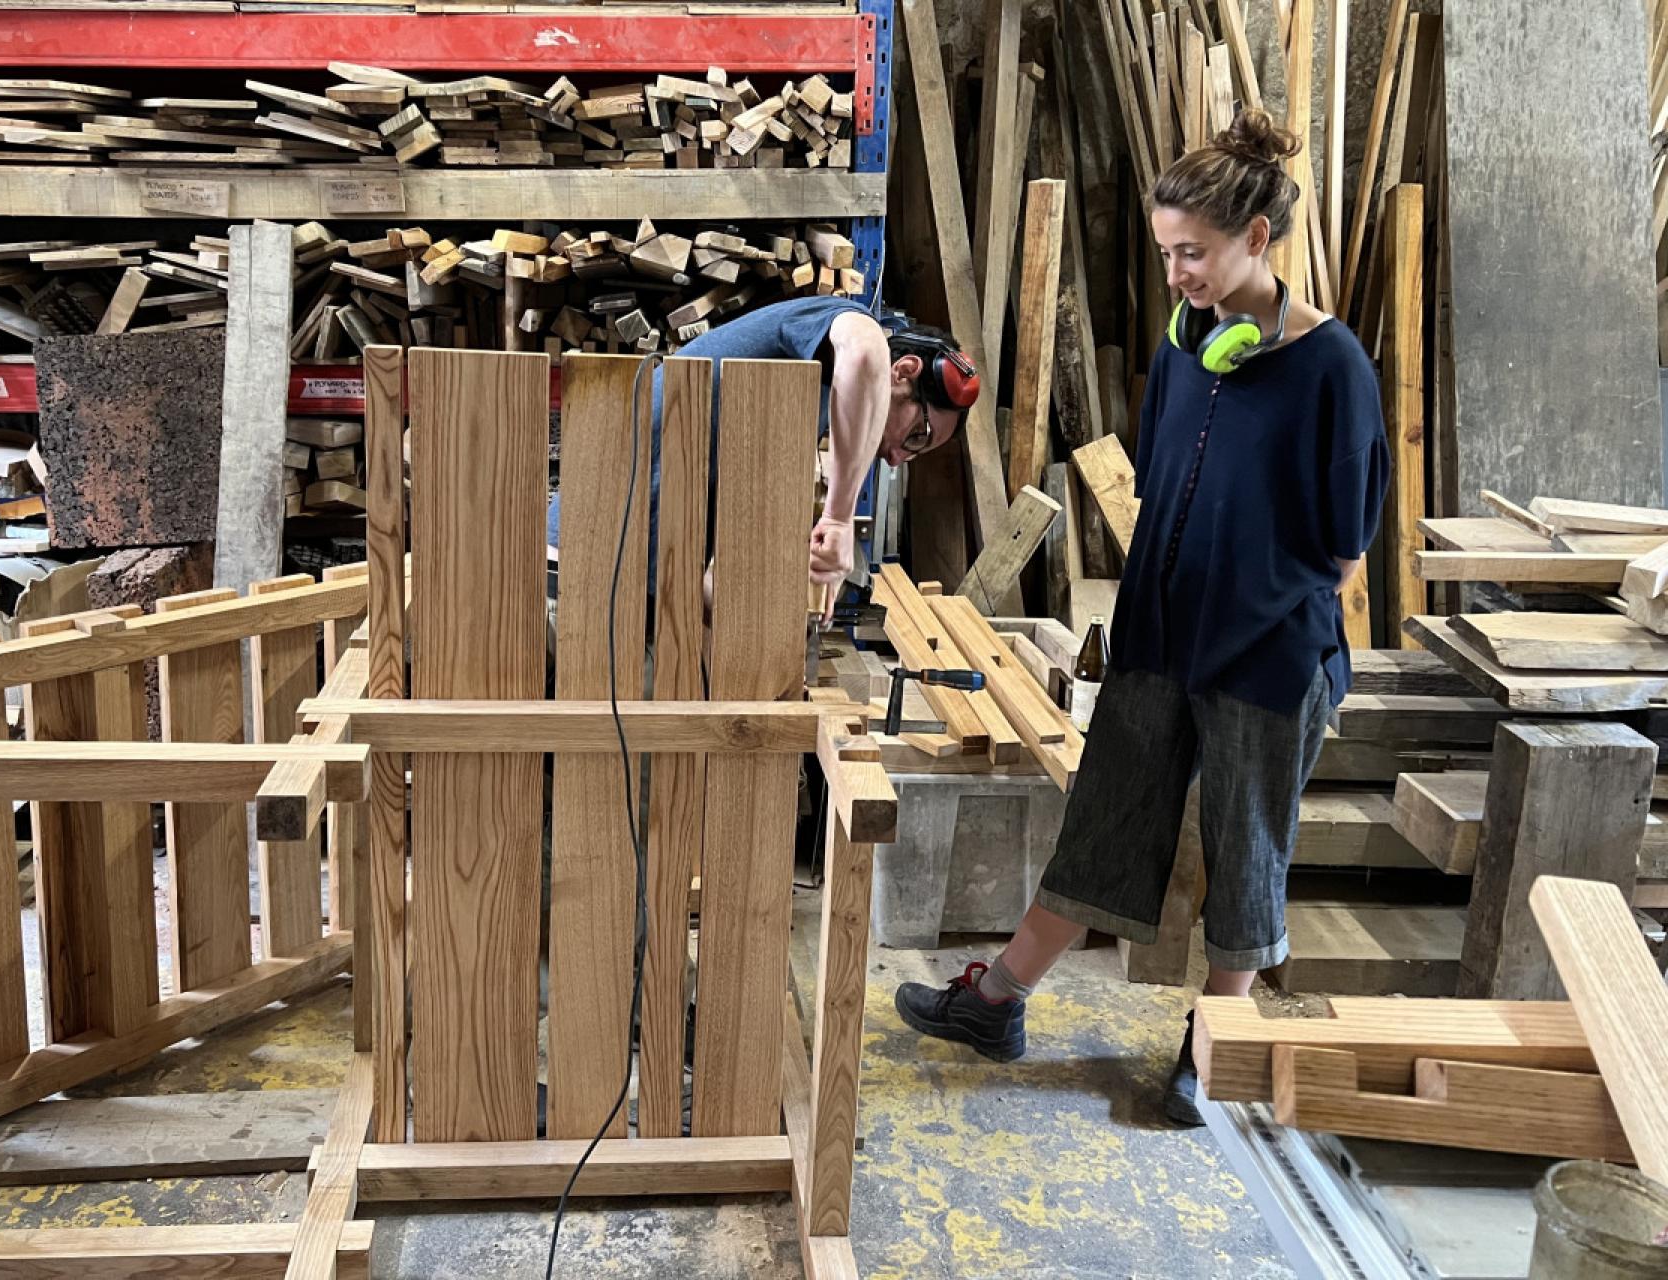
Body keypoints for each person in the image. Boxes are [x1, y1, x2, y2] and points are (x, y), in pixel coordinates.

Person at [892, 108, 1392, 1126]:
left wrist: (1253, 600)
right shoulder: (1185, 346)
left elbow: (1344, 547)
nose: (1178, 275)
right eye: (1167, 253)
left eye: (1194, 254)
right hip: (1161, 636)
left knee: (1247, 855)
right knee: (1107, 818)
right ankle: (996, 1002)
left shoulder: (1330, 367)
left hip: (1267, 658)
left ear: (1258, 238)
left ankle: (1215, 1052)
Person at [544, 295, 980, 609]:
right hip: (579, 578)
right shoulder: (843, 322)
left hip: (625, 585)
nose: (897, 459)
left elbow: (697, 564)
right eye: (918, 434)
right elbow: (867, 355)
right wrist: (838, 518)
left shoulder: (787, 404)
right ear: (903, 370)